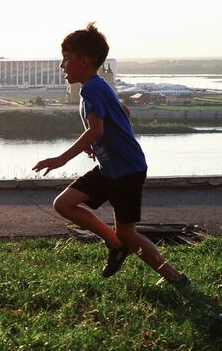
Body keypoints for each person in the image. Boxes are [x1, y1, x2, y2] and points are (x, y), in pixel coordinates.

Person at [32, 23, 193, 292]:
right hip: (110, 168)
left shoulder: (91, 89)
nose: (62, 66)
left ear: (84, 61)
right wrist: (98, 142)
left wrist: (61, 159)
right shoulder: (98, 85)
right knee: (65, 204)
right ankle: (115, 244)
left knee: (129, 233)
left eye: (66, 59)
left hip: (127, 170)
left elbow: (98, 127)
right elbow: (123, 111)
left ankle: (177, 279)